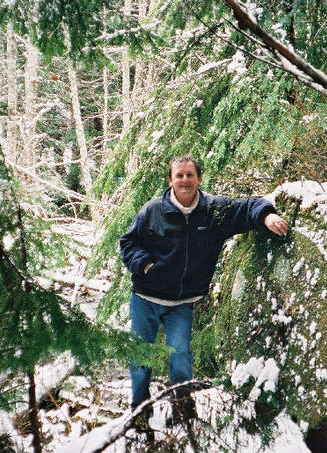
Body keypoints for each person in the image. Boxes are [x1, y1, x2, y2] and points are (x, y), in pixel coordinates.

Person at [119, 155, 288, 420]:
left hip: (182, 304)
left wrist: (266, 217)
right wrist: (145, 265)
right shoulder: (153, 210)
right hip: (146, 298)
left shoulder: (213, 211)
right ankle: (139, 411)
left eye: (189, 175)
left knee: (181, 359)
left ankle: (183, 409)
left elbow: (248, 207)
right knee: (142, 358)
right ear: (170, 180)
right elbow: (128, 243)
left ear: (199, 178)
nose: (184, 180)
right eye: (179, 175)